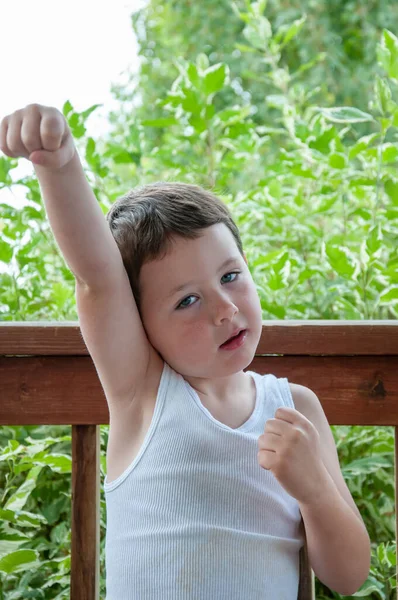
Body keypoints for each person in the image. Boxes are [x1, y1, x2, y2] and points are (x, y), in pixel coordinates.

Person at [0, 104, 371, 599]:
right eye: (187, 300)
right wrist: (60, 163)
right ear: (139, 324)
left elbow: (348, 577)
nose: (223, 309)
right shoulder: (143, 392)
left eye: (231, 276)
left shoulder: (296, 409)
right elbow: (97, 277)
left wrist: (315, 491)